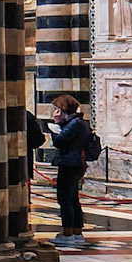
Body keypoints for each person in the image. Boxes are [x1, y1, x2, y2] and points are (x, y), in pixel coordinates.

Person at [48, 92, 95, 246]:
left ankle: (68, 233)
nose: (54, 112)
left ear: (62, 109)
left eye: (56, 109)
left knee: (65, 199)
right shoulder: (79, 123)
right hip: (74, 163)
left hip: (70, 164)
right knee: (73, 198)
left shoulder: (75, 124)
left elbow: (60, 141)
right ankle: (76, 231)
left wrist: (55, 124)